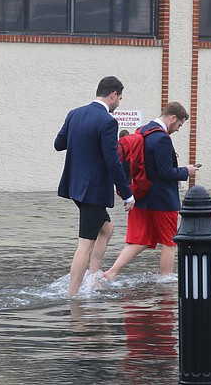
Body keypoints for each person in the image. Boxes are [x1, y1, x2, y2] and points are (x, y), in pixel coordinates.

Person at [54, 76, 135, 296]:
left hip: (75, 187)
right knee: (85, 244)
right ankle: (73, 295)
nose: (119, 103)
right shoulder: (108, 121)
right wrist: (127, 194)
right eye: (119, 98)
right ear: (113, 95)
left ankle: (93, 278)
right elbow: (113, 161)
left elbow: (58, 144)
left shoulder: (75, 114)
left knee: (106, 229)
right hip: (93, 191)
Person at [103, 102, 198, 281]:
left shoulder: (142, 131)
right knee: (170, 242)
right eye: (179, 125)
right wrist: (187, 170)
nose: (177, 129)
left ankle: (111, 272)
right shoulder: (161, 138)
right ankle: (166, 280)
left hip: (140, 195)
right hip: (162, 200)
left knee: (139, 240)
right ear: (173, 118)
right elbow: (165, 172)